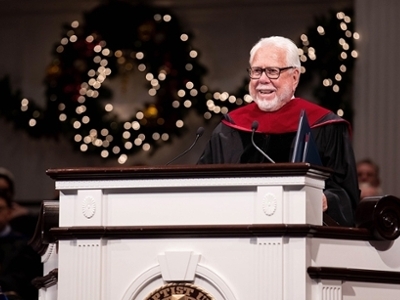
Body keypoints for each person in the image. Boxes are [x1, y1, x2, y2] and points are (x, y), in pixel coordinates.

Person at [198, 36, 359, 227]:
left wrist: (326, 200)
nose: (262, 80)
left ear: (295, 77)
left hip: (306, 237)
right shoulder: (228, 129)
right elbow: (202, 186)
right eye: (257, 71)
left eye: (273, 71)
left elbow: (346, 193)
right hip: (236, 237)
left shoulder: (325, 126)